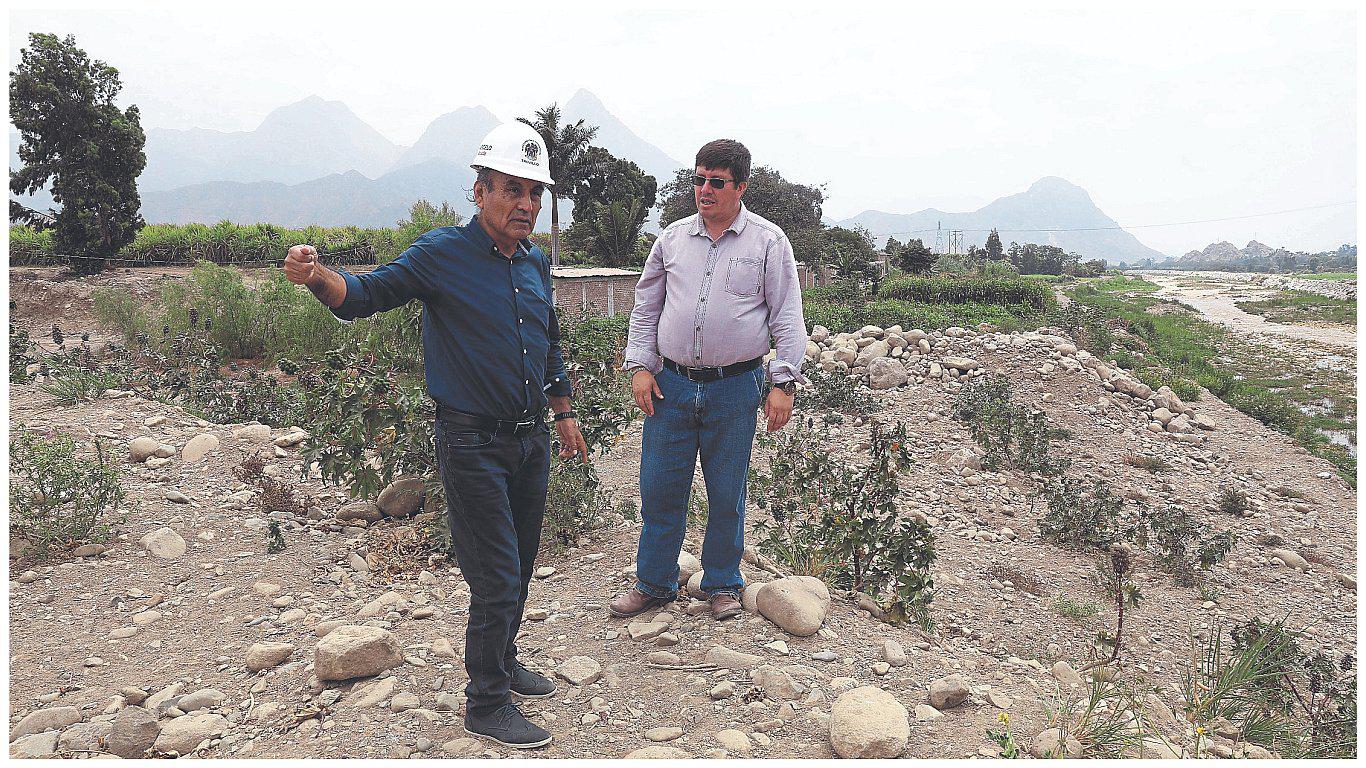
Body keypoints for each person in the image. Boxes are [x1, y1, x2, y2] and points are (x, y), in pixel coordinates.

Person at [282, 122, 588, 750]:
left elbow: (548, 340)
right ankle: (486, 702)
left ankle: (503, 660)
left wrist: (563, 412)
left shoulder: (534, 261)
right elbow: (364, 295)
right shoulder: (442, 253)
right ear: (480, 191)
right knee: (495, 572)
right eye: (513, 190)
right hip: (471, 441)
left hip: (530, 439)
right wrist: (316, 277)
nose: (527, 204)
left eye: (535, 193)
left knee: (521, 561)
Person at [612, 139, 809, 621]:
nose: (705, 190)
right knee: (660, 489)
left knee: (726, 493)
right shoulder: (672, 239)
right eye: (699, 179)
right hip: (671, 385)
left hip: (735, 387)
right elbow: (646, 307)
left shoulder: (768, 242)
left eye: (716, 182)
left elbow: (787, 314)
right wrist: (640, 367)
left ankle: (721, 583)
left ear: (741, 187)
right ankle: (654, 583)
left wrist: (783, 382)